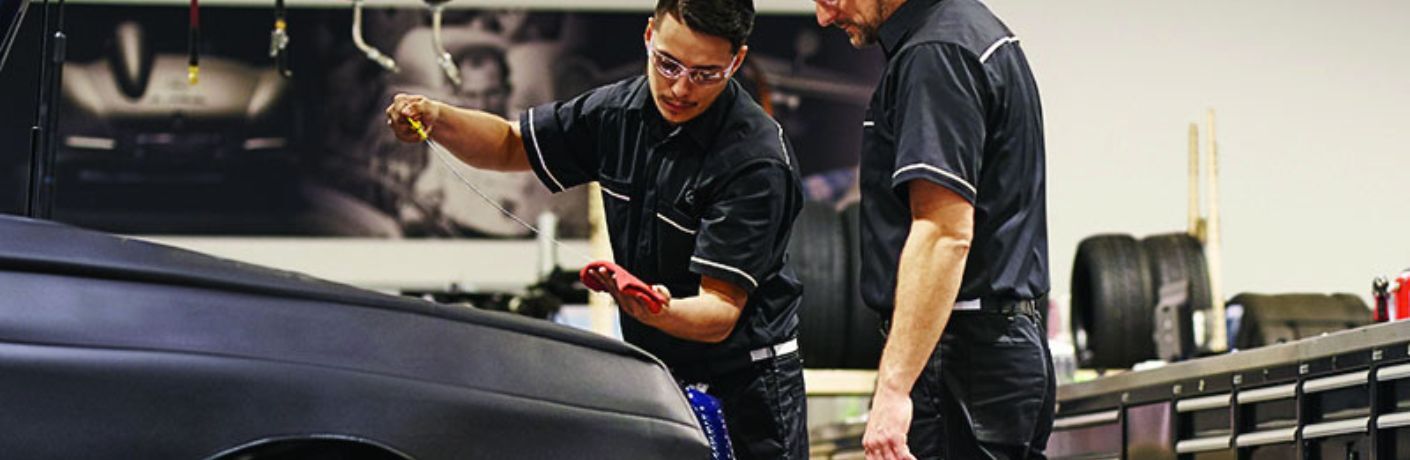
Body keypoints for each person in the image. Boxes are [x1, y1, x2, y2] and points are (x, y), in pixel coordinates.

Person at [385, 0, 809, 457]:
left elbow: (719, 313)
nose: (680, 88)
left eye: (705, 74)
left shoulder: (754, 161)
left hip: (747, 388)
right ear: (649, 35)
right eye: (668, 64)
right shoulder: (617, 113)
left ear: (736, 61)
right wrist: (439, 119)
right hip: (660, 372)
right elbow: (511, 145)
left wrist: (655, 310)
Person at [814, 0, 1055, 458]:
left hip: (961, 358)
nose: (824, 17)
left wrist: (893, 390)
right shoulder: (969, 31)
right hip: (987, 350)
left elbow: (943, 233)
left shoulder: (936, 52)